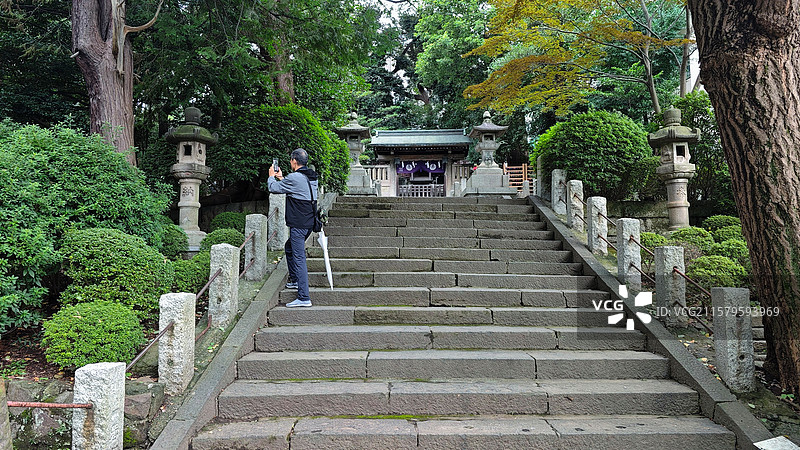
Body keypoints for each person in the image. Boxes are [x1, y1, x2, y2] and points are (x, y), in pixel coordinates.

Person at [267, 148, 319, 308]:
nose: (290, 163)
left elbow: (274, 188)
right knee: (289, 248)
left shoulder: (295, 177)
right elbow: (296, 187)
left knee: (299, 257)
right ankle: (295, 280)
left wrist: (271, 177)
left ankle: (304, 297)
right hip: (310, 222)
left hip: (298, 224)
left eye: (290, 160)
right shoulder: (311, 176)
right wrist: (282, 177)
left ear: (294, 161)